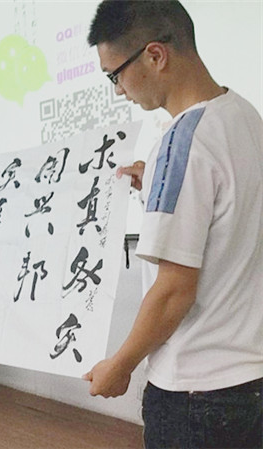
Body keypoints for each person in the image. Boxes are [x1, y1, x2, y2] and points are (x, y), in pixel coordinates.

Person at [83, 1, 263, 448]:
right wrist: (156, 185)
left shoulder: (181, 142)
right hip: (250, 381)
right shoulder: (244, 116)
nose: (118, 91)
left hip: (197, 398)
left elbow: (173, 291)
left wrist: (119, 366)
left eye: (115, 75)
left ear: (155, 55)